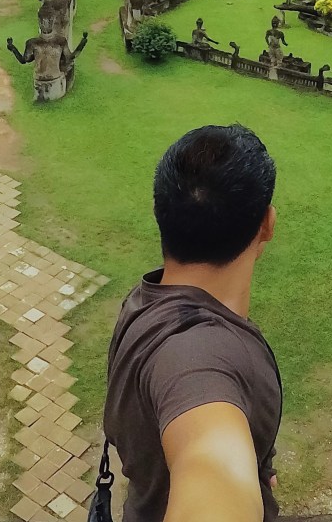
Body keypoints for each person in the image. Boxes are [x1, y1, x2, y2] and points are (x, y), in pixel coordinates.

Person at [104, 125, 282, 522]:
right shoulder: (196, 356)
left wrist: (252, 471)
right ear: (268, 225)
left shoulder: (143, 301)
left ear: (159, 214)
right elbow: (210, 462)